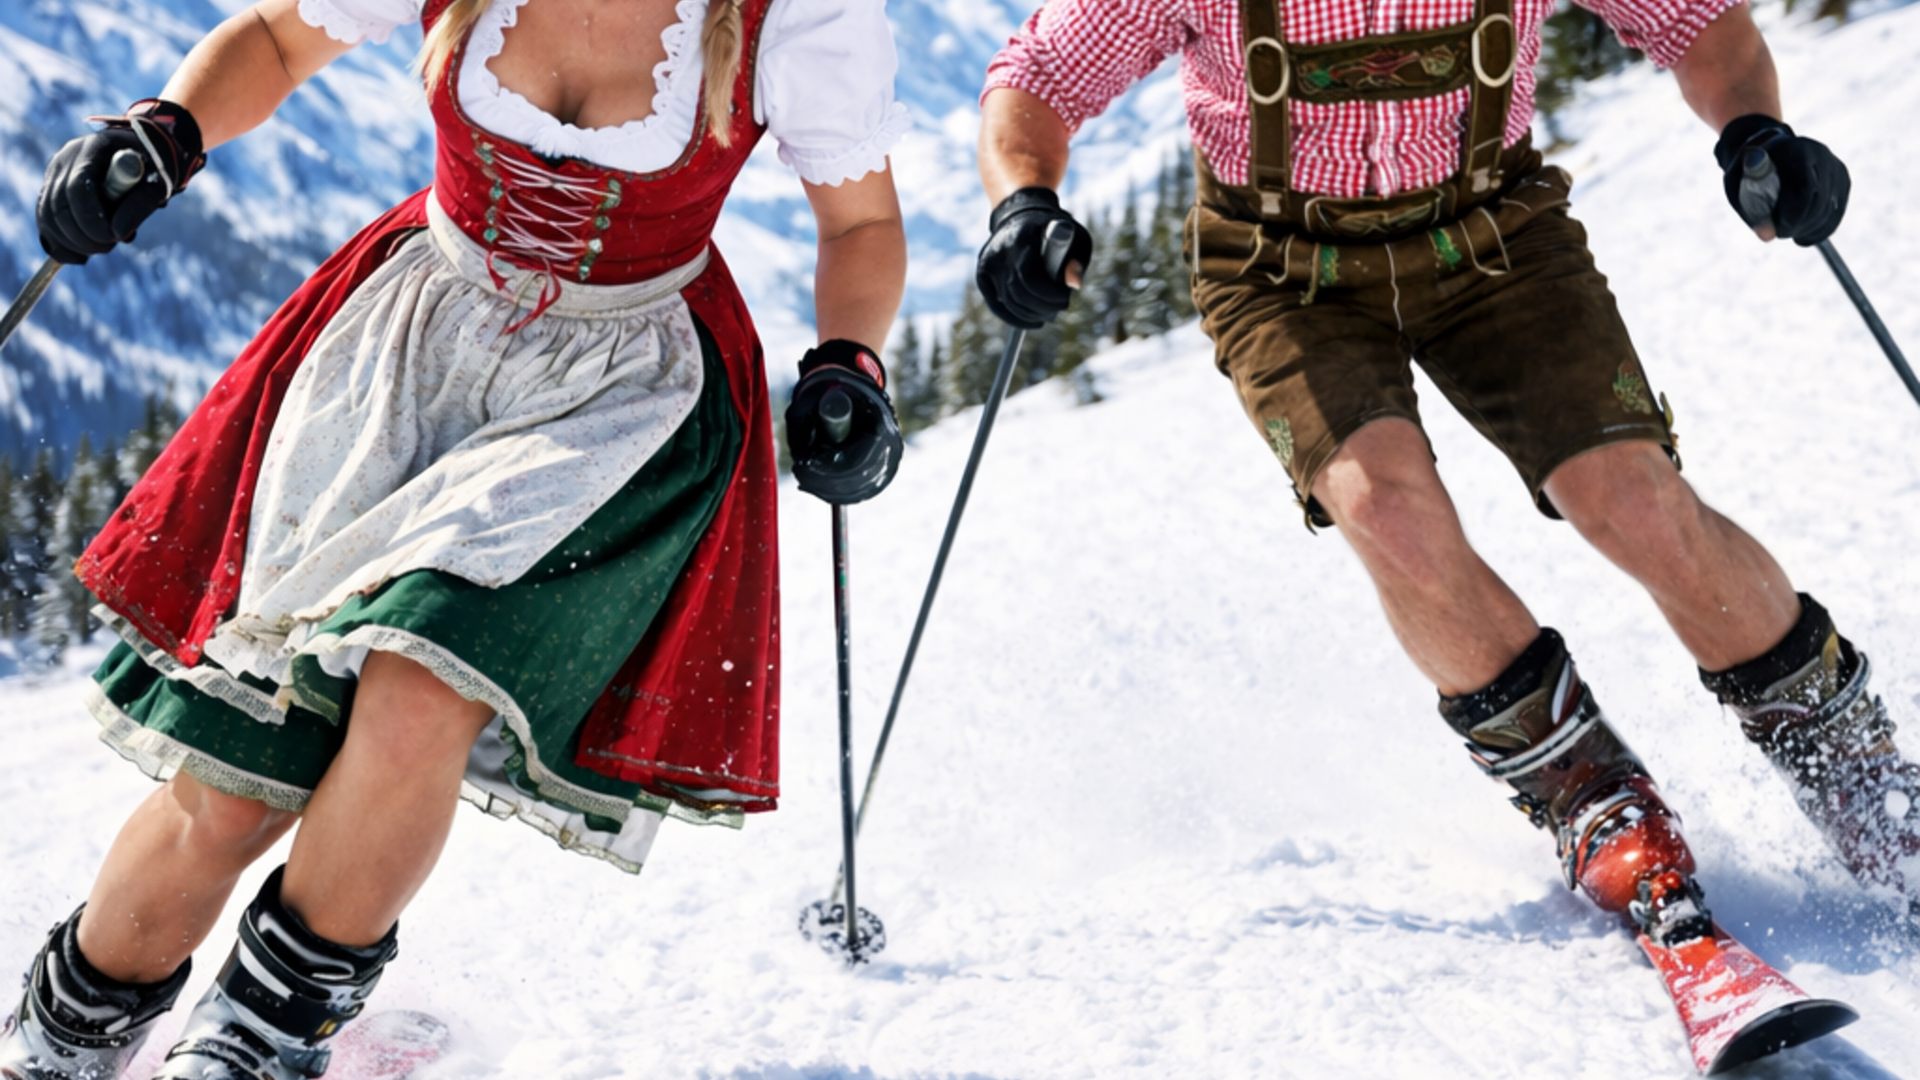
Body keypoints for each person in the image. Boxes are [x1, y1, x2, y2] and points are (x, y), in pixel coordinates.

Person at [3, 0, 908, 1076]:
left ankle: (256, 1045)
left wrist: (851, 360)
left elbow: (859, 225)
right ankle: (58, 1045)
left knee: (420, 689)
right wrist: (167, 129)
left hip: (616, 399)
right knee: (239, 784)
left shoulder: (795, 16)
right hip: (406, 352)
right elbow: (280, 38)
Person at [973, 0, 1917, 952]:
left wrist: (1755, 134)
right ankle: (1592, 800)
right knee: (1384, 505)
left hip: (1494, 237)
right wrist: (1023, 200)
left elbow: (1702, 26)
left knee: (1631, 498)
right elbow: (1039, 78)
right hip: (1281, 269)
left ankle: (1861, 775)